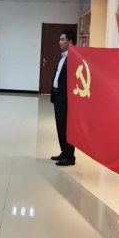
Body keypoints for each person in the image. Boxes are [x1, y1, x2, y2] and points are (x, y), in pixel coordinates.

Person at [50, 31, 76, 166]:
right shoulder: (63, 56)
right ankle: (64, 152)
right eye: (59, 39)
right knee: (60, 125)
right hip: (58, 96)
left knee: (67, 126)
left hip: (66, 98)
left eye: (62, 39)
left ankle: (70, 156)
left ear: (70, 42)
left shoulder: (73, 58)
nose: (59, 42)